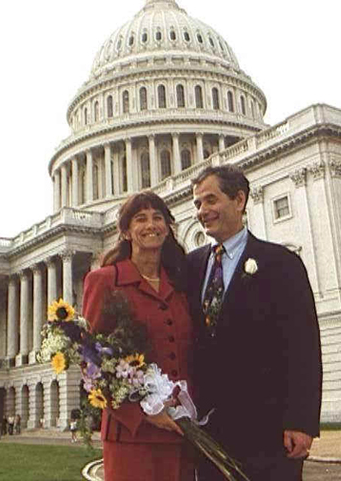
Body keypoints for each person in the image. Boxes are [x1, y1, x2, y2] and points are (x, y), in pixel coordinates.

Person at [188, 165, 322, 481]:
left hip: (269, 430)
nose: (202, 211)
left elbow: (303, 347)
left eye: (210, 200)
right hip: (208, 432)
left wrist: (301, 421)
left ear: (239, 200)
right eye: (197, 204)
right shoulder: (191, 266)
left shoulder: (281, 263)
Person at [82, 191, 195, 481]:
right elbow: (91, 360)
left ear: (168, 228)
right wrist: (142, 412)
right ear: (125, 231)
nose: (151, 225)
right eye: (141, 219)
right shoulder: (105, 281)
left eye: (158, 218)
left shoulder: (180, 284)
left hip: (179, 431)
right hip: (132, 435)